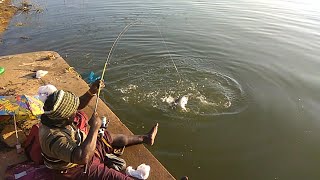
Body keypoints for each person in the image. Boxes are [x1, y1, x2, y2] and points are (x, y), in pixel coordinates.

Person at [39, 80, 158, 179]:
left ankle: (145, 138)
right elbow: (83, 158)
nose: (76, 112)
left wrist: (91, 92)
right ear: (64, 118)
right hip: (74, 169)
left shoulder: (53, 116)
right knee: (117, 178)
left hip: (80, 150)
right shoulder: (53, 137)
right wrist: (94, 128)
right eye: (73, 112)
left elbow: (77, 104)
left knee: (107, 136)